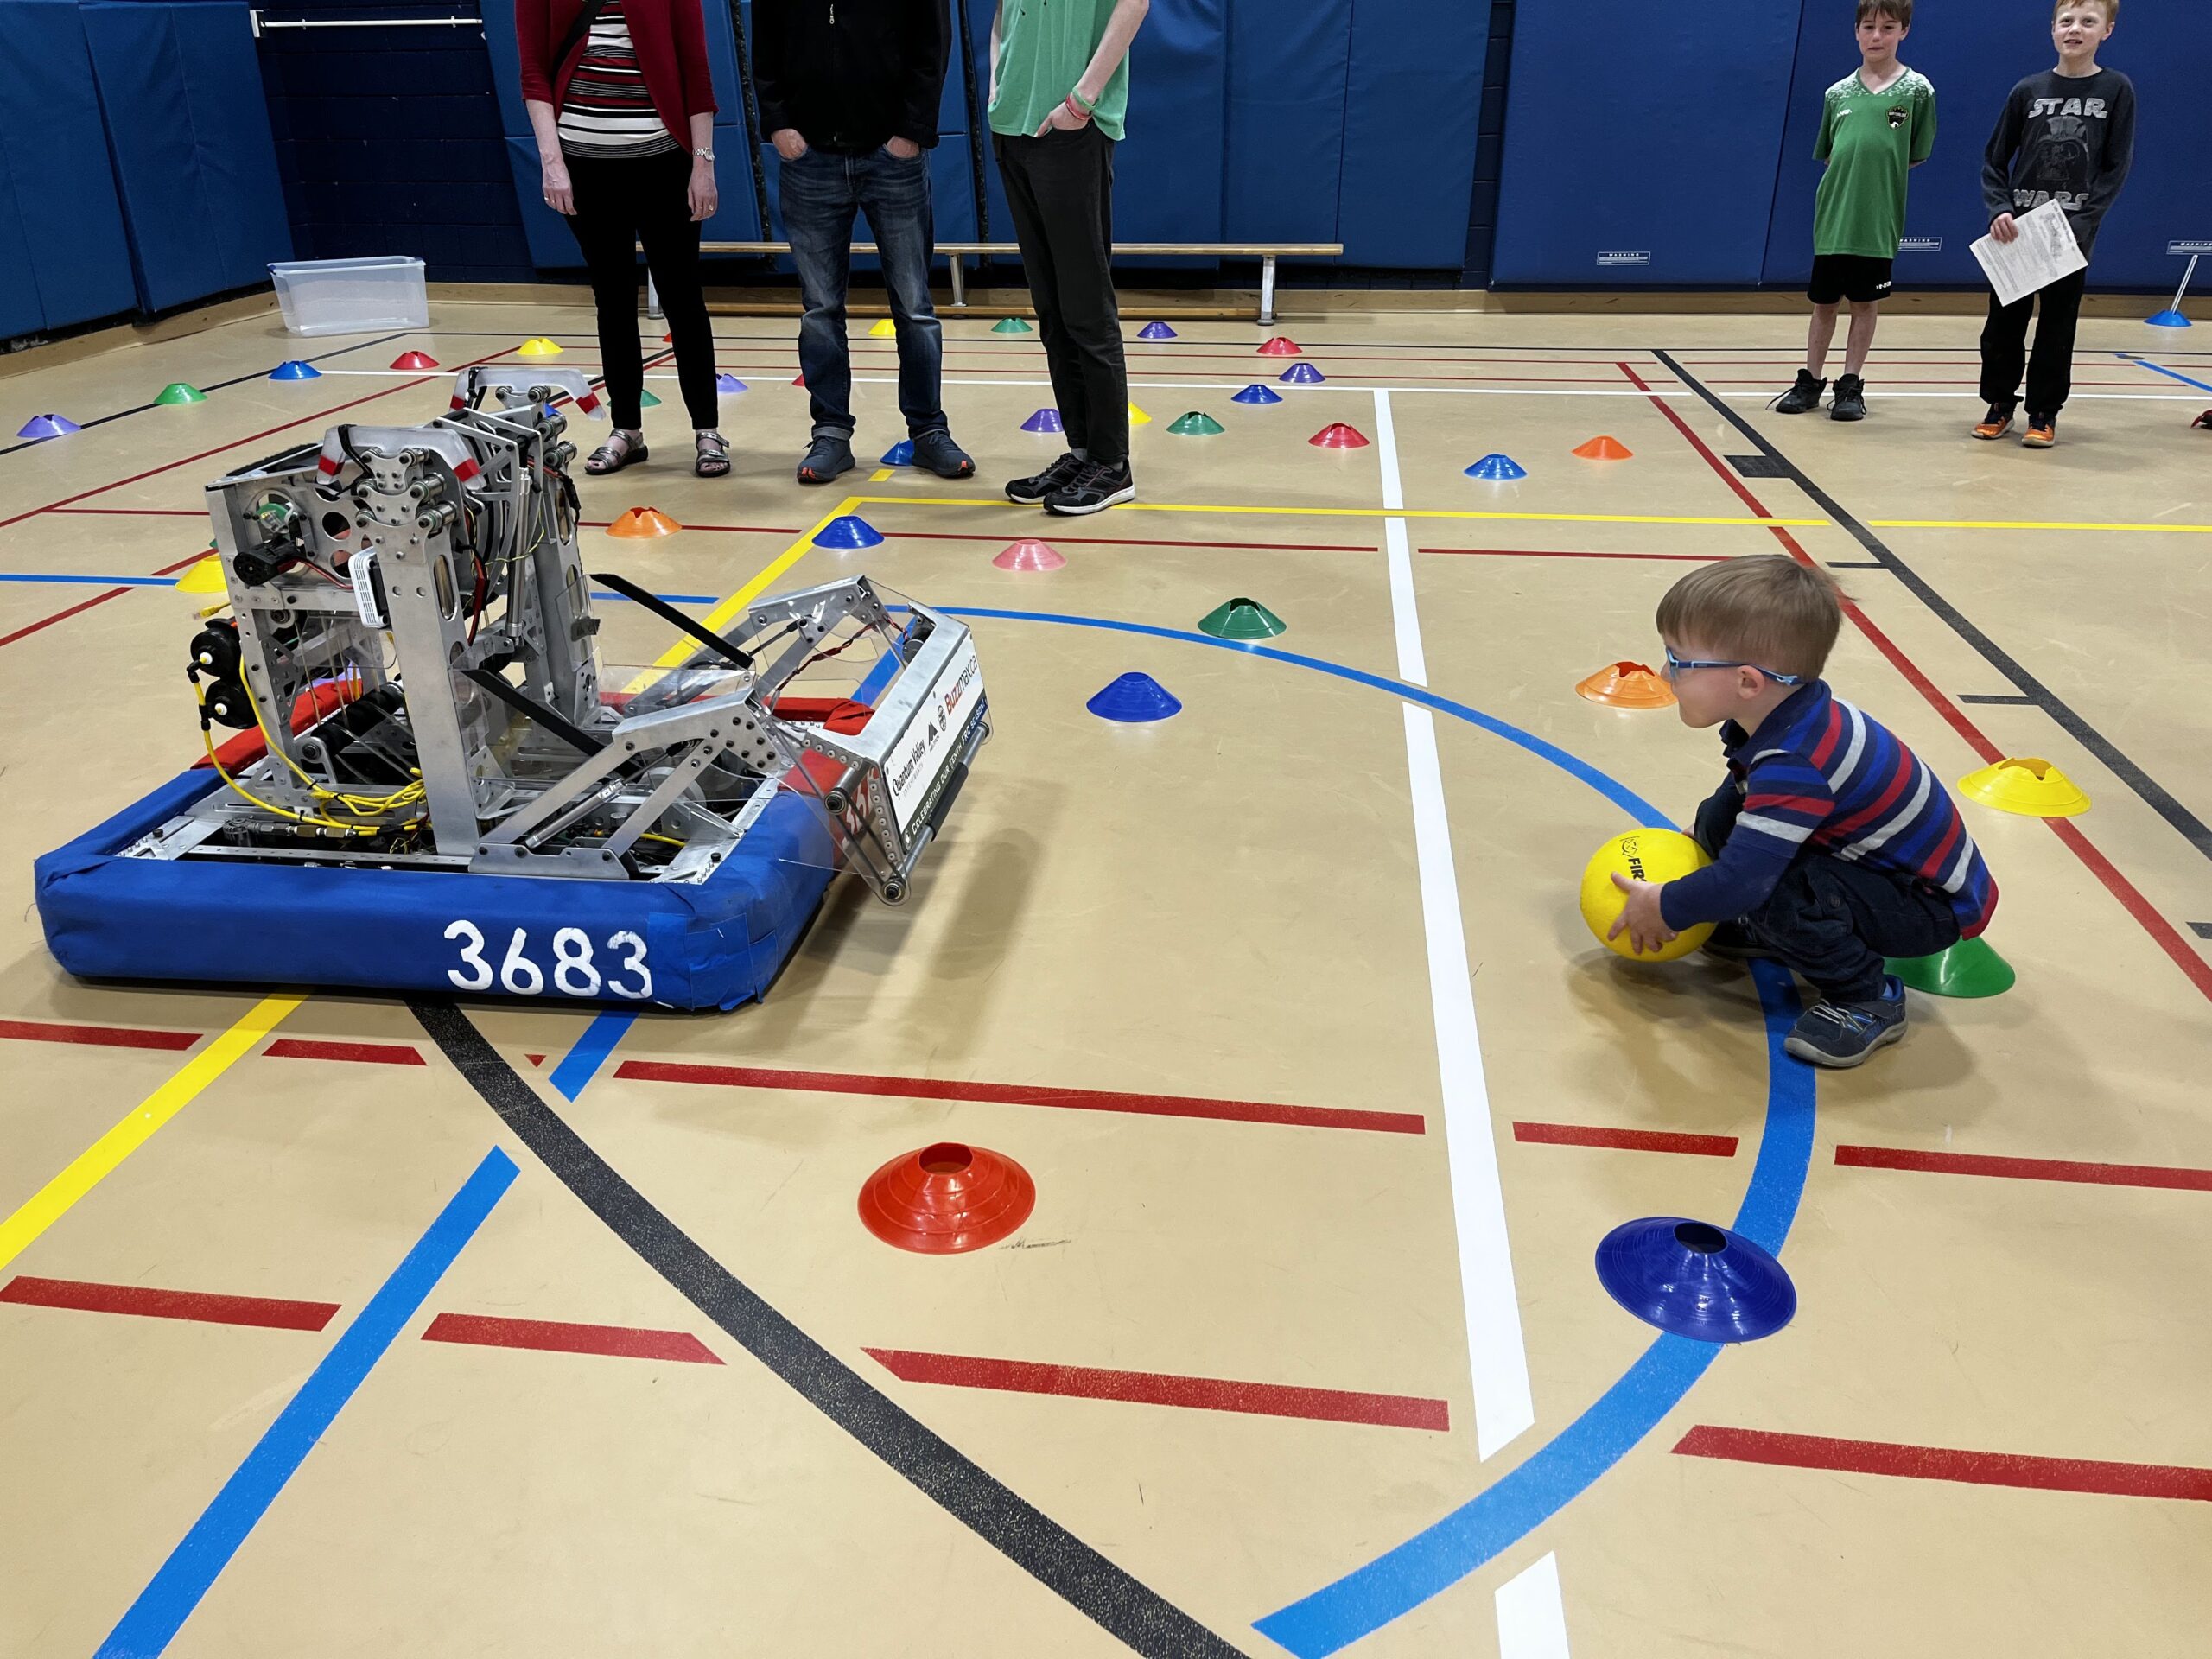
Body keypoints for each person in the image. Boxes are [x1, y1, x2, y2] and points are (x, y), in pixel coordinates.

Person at [1609, 556, 1998, 1069]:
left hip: (1926, 907)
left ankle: (1867, 995)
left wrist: (1667, 905)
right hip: (1874, 870)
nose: (1665, 674)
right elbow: (1746, 798)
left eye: (1679, 661)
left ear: (1748, 682)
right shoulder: (1785, 716)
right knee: (1723, 815)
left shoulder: (1799, 761)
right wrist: (1711, 843)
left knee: (1771, 891)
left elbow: (1745, 881)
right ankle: (1770, 931)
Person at [754, 0, 976, 485]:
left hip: (892, 158)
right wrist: (778, 123)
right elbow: (765, 54)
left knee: (915, 306)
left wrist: (911, 132)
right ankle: (830, 433)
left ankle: (928, 432)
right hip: (809, 161)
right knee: (820, 309)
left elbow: (931, 50)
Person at [517, 0, 728, 479]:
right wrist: (552, 163)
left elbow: (696, 73)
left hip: (663, 161)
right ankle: (627, 430)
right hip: (584, 165)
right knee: (612, 299)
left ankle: (707, 430)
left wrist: (703, 164)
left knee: (682, 297)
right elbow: (533, 74)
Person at [988, 0, 1150, 516]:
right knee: (1052, 308)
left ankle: (1112, 462)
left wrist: (1083, 100)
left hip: (1072, 126)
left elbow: (1135, 3)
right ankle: (1082, 451)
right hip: (1013, 125)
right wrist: (1000, 84)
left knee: (1085, 304)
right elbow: (1002, 16)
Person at [1974, 1, 2134, 449]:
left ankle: (2043, 414)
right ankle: (1999, 404)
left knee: (2057, 326)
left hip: (2069, 236)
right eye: (2066, 21)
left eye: (2088, 22)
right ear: (2052, 30)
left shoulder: (2116, 89)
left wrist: (2084, 221)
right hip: (2018, 231)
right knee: (2003, 324)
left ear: (2107, 30)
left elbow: (2116, 165)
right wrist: (1999, 209)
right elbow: (1994, 160)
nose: (2075, 29)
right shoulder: (2028, 89)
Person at [1772, 0, 1936, 423]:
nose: (1877, 36)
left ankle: (1850, 386)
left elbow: (1916, 154)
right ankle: (1809, 381)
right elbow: (1829, 154)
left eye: (1887, 27)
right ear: (1856, 32)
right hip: (1833, 216)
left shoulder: (1918, 90)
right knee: (1824, 303)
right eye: (1868, 27)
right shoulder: (1837, 93)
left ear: (1904, 31)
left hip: (1878, 217)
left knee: (1864, 303)